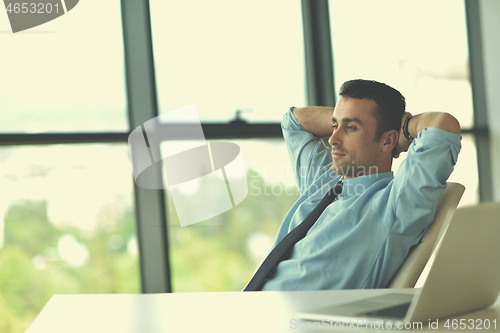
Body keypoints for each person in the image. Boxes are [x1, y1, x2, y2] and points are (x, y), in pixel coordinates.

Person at [247, 79, 461, 291]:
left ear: (387, 141)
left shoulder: (395, 204)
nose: (333, 138)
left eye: (350, 127)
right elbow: (294, 121)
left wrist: (403, 127)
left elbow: (443, 125)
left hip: (296, 321)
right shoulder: (324, 180)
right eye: (334, 125)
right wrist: (349, 117)